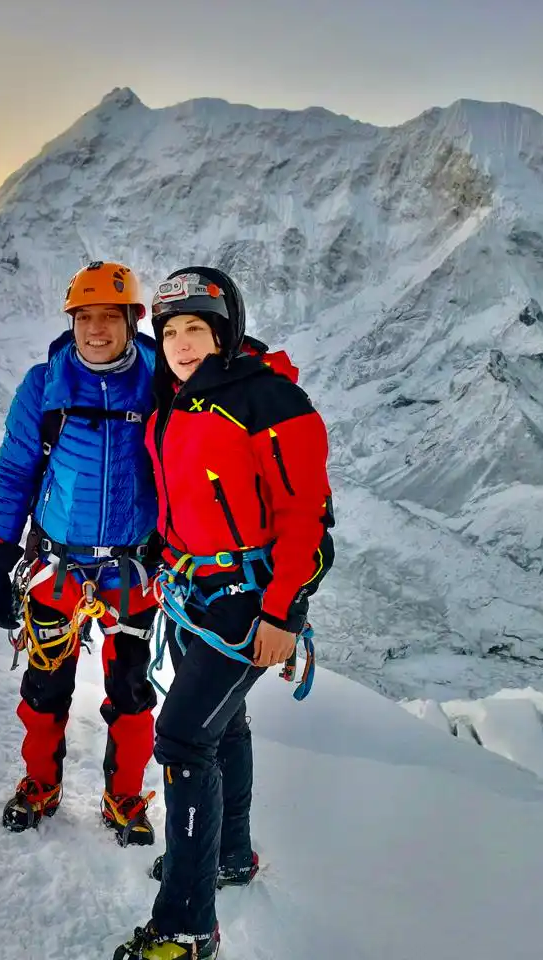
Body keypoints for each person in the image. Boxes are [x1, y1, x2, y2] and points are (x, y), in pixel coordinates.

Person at [114, 266, 335, 960]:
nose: (180, 344)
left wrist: (284, 613)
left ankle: (186, 925)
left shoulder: (269, 399)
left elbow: (306, 518)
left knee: (183, 740)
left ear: (225, 332)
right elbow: (181, 500)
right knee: (222, 725)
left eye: (195, 329)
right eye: (170, 332)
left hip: (249, 598)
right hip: (194, 591)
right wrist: (158, 558)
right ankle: (228, 855)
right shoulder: (174, 402)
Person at [0, 260, 163, 845]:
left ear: (132, 321)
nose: (96, 329)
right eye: (85, 317)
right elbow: (16, 472)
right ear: (72, 322)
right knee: (45, 685)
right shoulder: (44, 386)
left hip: (133, 569)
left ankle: (124, 796)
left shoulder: (162, 384)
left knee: (131, 691)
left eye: (110, 316)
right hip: (58, 566)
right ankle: (40, 783)